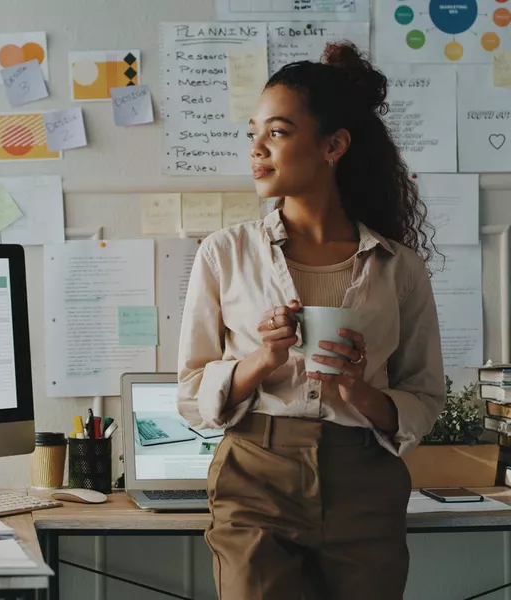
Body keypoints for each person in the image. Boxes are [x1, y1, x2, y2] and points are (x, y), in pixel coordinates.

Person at [177, 41, 446, 600]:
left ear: (334, 145)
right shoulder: (223, 253)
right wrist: (264, 358)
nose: (256, 149)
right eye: (252, 133)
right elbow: (191, 393)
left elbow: (424, 396)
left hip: (365, 481)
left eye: (276, 132)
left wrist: (358, 389)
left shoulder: (400, 267)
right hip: (255, 475)